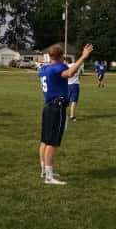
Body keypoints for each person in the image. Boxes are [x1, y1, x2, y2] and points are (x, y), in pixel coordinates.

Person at [38, 43, 93, 185]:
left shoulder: (43, 69)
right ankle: (49, 177)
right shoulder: (59, 67)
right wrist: (83, 57)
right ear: (61, 56)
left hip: (47, 107)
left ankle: (44, 170)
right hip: (57, 107)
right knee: (52, 142)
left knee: (45, 140)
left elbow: (54, 70)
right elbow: (69, 73)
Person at [66, 57, 81, 122]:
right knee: (74, 101)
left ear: (66, 61)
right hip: (75, 85)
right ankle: (72, 116)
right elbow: (79, 75)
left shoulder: (65, 67)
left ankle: (64, 114)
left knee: (66, 101)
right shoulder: (76, 66)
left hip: (67, 85)